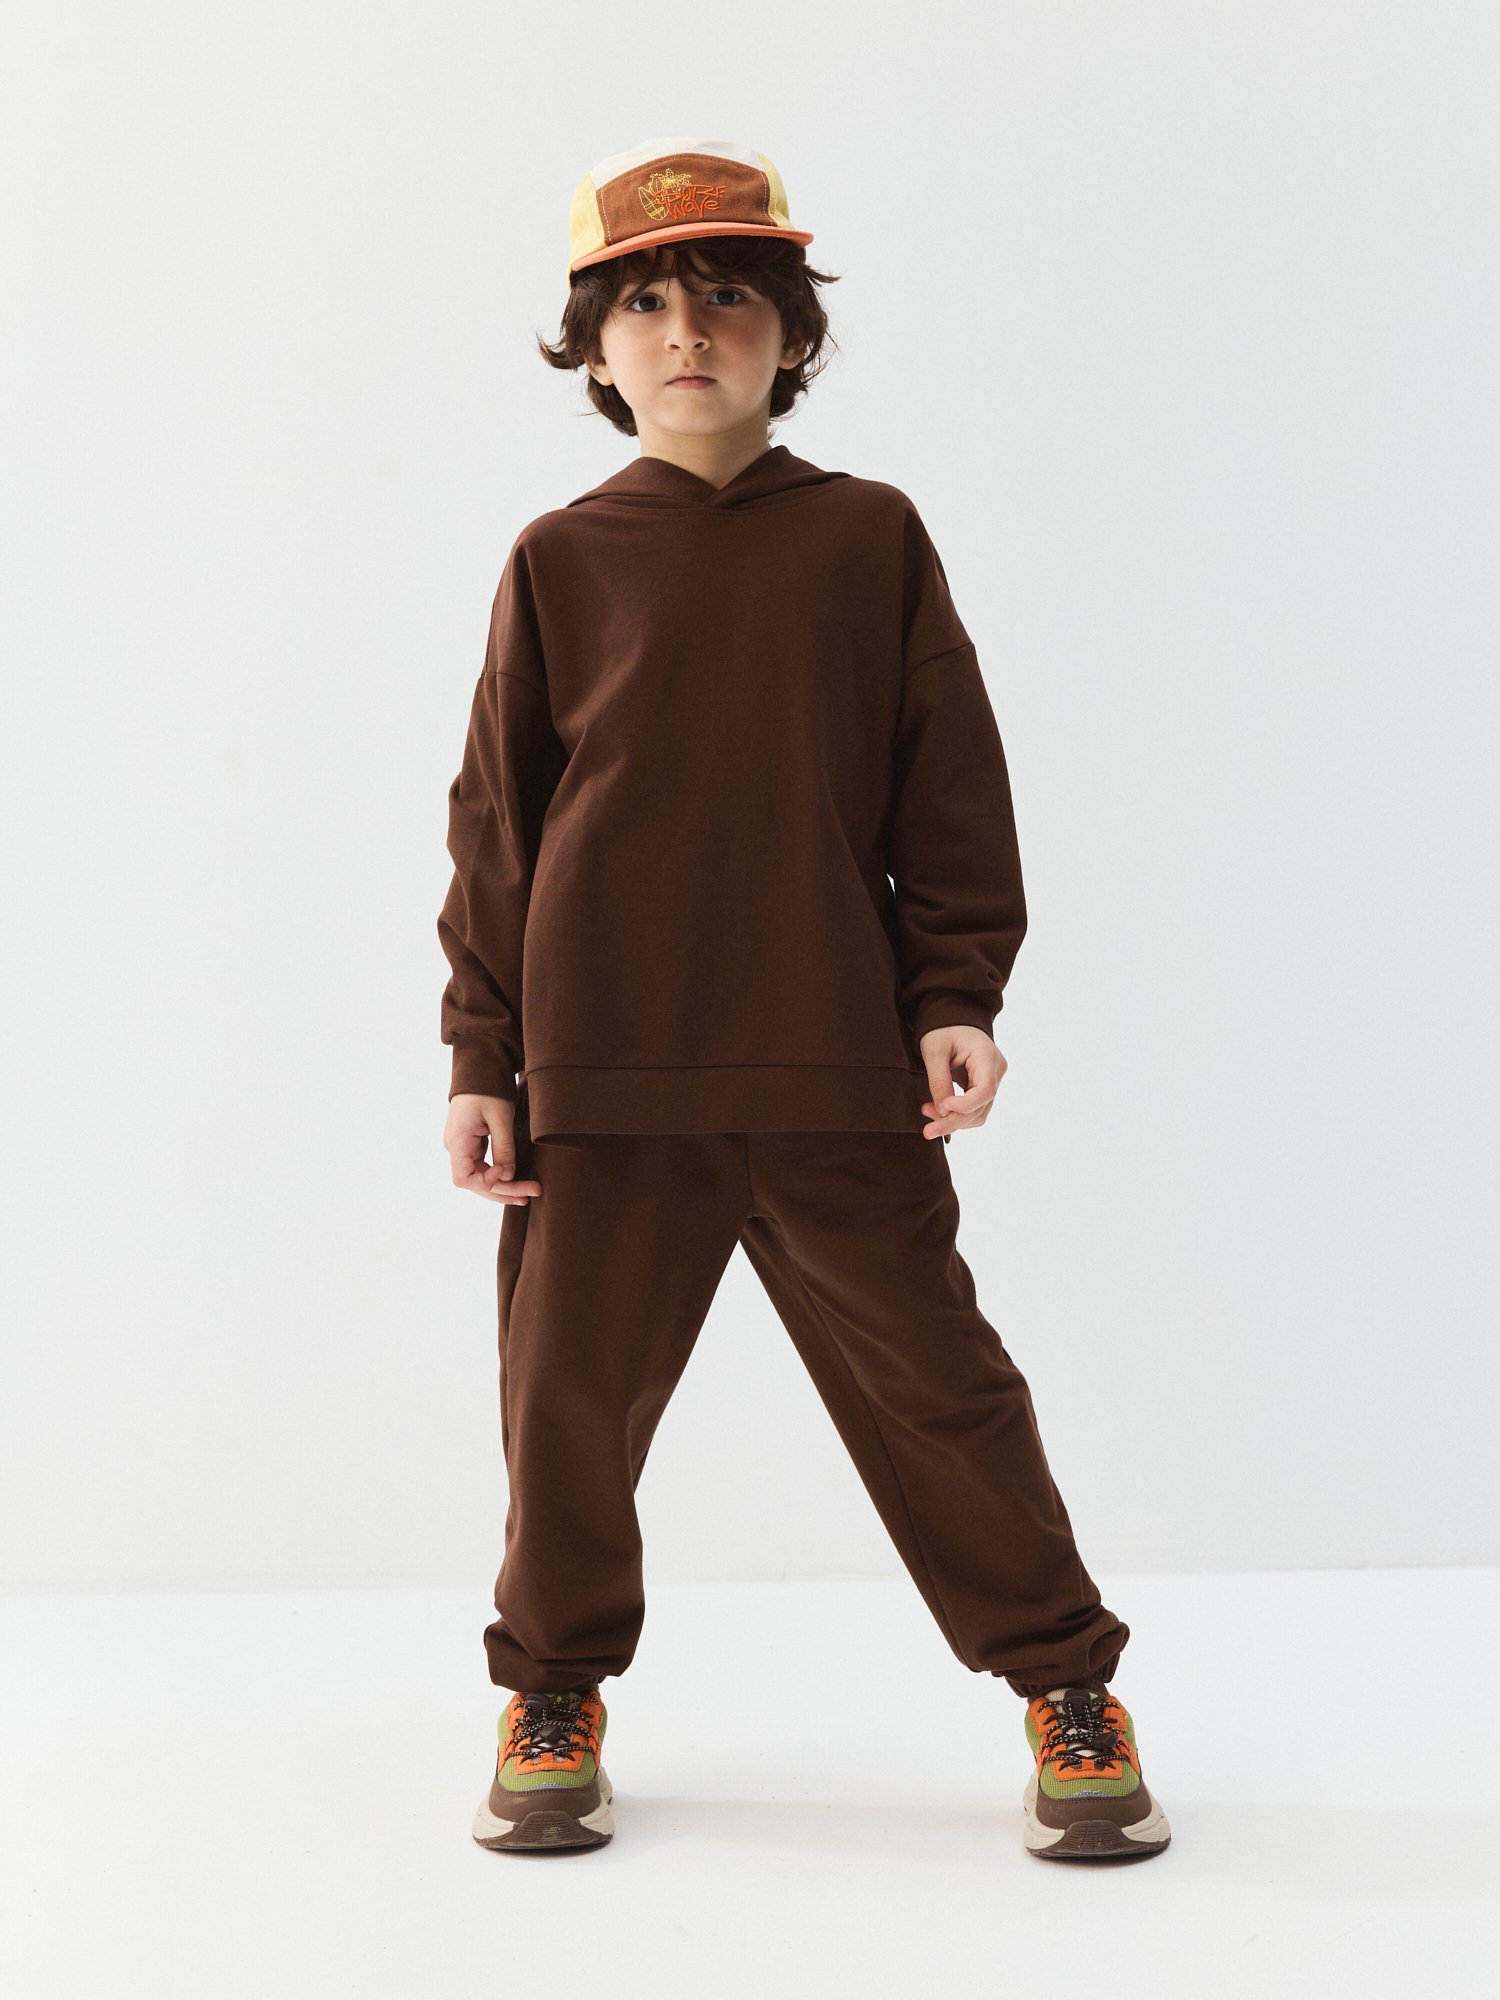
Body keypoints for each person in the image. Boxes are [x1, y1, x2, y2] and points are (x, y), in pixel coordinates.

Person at [437, 135, 1170, 1863]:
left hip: (840, 1064)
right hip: (603, 1078)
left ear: (791, 334)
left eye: (726, 297)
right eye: (643, 306)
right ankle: (553, 1691)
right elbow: (499, 827)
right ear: (595, 352)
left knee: (944, 1391)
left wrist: (955, 989)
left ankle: (1066, 1685)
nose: (687, 332)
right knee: (564, 1409)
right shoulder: (558, 560)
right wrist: (483, 1053)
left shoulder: (868, 538)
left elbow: (948, 788)